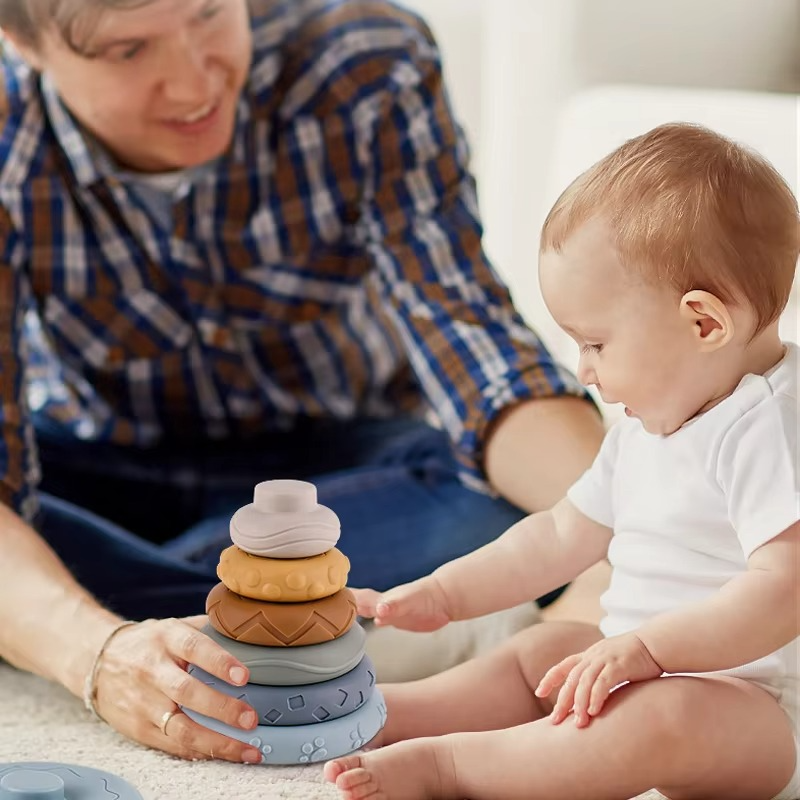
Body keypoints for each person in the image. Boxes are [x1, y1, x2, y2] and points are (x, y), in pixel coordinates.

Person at [0, 0, 605, 768]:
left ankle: (147, 615)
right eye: (129, 51)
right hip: (90, 466)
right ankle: (304, 625)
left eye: (209, 14)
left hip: (342, 471)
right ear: (20, 42)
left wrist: (619, 528)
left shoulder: (365, 63)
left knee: (502, 505)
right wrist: (95, 654)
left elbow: (477, 350)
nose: (193, 82)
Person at [325, 123, 800, 800]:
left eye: (596, 344)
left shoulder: (771, 426)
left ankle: (452, 769)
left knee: (660, 715)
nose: (584, 371)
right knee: (543, 654)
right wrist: (445, 594)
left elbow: (783, 591)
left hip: (761, 711)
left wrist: (650, 650)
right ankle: (392, 714)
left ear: (703, 323)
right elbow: (556, 536)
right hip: (638, 666)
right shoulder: (645, 428)